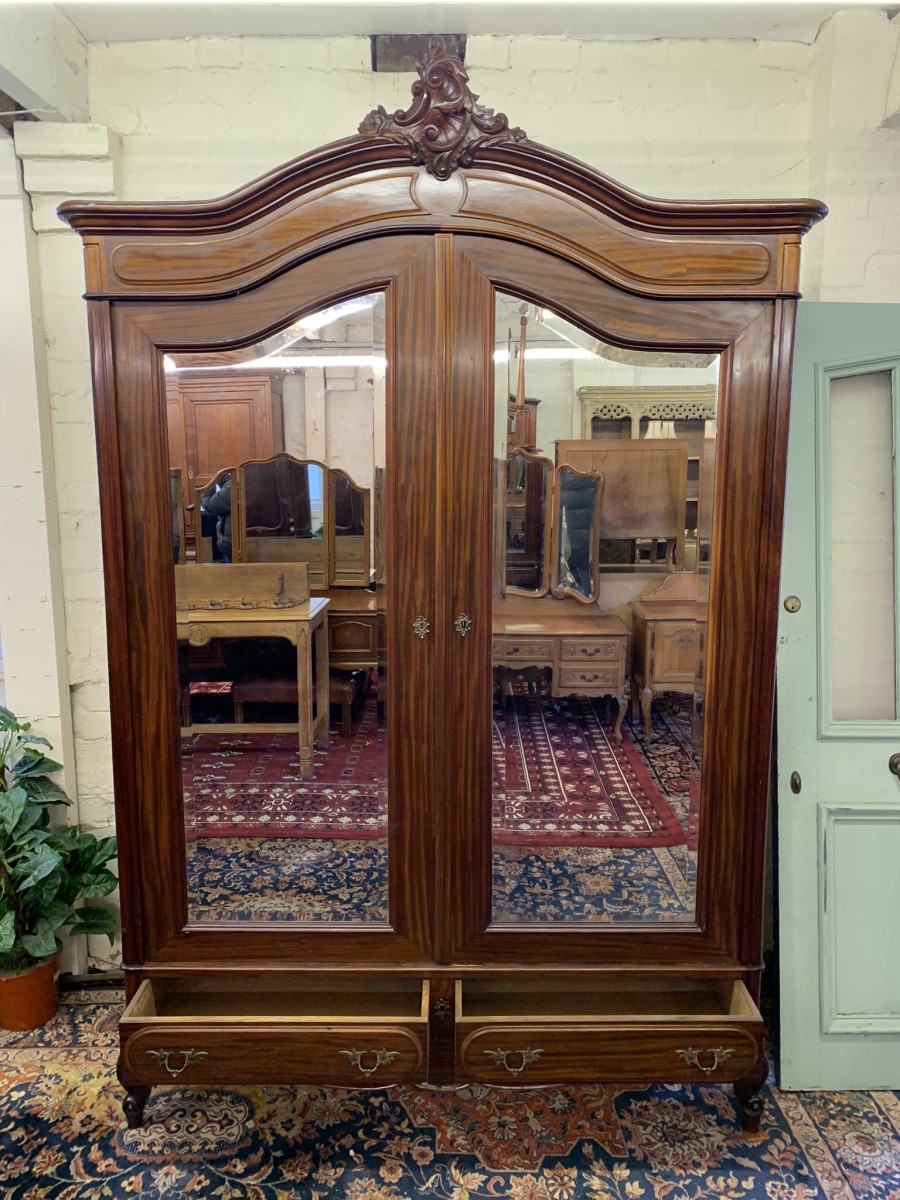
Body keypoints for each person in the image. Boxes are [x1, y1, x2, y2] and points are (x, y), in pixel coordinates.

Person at [200, 473, 232, 562]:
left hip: (233, 545)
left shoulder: (234, 485)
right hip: (264, 544)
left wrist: (214, 483)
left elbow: (210, 505)